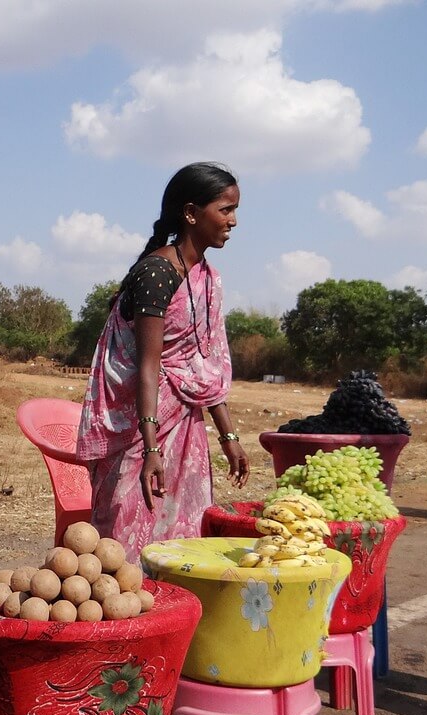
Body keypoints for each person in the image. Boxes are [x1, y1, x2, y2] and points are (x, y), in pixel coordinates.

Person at [76, 162, 250, 562]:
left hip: (186, 428)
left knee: (181, 538)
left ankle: (174, 615)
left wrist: (229, 438)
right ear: (191, 213)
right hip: (141, 431)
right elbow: (149, 367)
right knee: (127, 534)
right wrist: (151, 448)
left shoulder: (207, 278)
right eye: (225, 209)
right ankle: (128, 617)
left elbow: (200, 368)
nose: (234, 221)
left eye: (235, 210)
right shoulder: (157, 272)